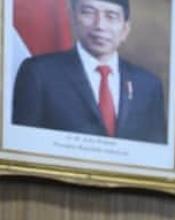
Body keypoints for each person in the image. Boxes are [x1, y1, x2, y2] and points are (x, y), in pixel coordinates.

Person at [11, 0, 166, 143]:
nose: (100, 25)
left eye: (111, 16)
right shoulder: (39, 73)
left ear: (125, 29)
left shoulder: (148, 85)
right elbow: (23, 144)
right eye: (88, 12)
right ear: (73, 18)